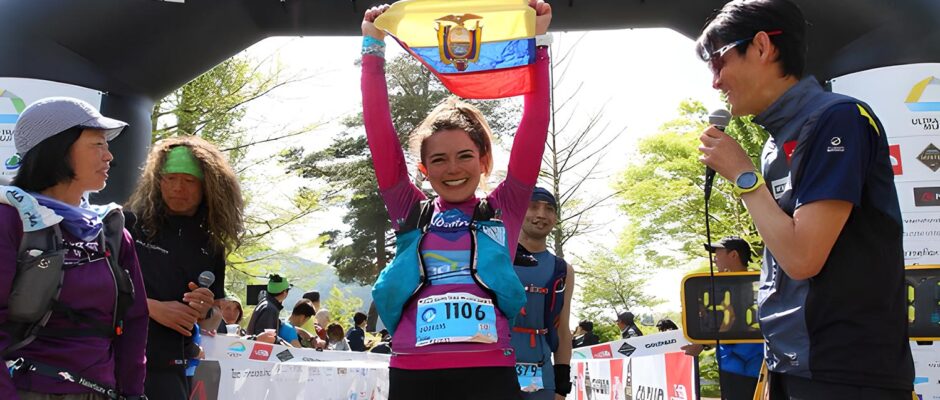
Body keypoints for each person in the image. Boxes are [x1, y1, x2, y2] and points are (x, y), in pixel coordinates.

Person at [696, 0, 913, 398]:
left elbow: (802, 258)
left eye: (718, 60)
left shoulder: (838, 117)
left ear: (762, 47)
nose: (715, 81)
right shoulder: (774, 143)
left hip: (846, 372)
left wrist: (745, 179)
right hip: (793, 364)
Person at [362, 1, 552, 398]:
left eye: (465, 156)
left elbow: (534, 125)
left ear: (483, 160)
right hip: (414, 369)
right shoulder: (410, 209)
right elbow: (380, 136)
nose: (453, 169)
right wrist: (372, 50)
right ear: (423, 169)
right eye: (439, 159)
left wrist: (539, 43)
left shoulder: (504, 206)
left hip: (489, 371)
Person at [0, 97, 149, 400]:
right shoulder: (10, 220)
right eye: (97, 144)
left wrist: (133, 393)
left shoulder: (110, 231)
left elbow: (134, 323)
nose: (109, 156)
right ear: (57, 147)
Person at [126, 135, 243, 400]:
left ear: (208, 187)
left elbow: (214, 317)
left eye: (189, 180)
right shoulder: (129, 224)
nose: (178, 187)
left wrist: (205, 310)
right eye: (170, 178)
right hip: (119, 357)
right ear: (158, 181)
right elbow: (95, 291)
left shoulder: (211, 245)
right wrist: (151, 307)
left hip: (173, 366)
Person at [512, 187, 575, 400]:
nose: (541, 214)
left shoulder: (562, 269)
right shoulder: (496, 258)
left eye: (549, 209)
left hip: (542, 375)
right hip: (494, 370)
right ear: (519, 210)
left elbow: (564, 329)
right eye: (533, 206)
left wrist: (562, 384)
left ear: (555, 218)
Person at [682, 237, 762, 400]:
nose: (714, 259)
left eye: (718, 254)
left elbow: (731, 321)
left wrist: (703, 343)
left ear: (733, 255)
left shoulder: (757, 285)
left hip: (752, 366)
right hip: (731, 365)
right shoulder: (720, 288)